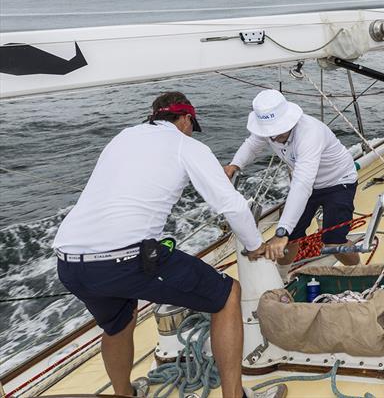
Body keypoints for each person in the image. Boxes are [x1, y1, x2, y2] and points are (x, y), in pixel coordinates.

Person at [54, 92, 267, 398]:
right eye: (192, 125)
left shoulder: (123, 137)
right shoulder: (186, 145)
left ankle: (123, 394)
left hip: (70, 262)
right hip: (123, 260)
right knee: (227, 294)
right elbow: (231, 205)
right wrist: (254, 244)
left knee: (119, 322)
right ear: (186, 119)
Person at [224, 90, 360, 277]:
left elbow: (302, 184)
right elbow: (252, 144)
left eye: (277, 130)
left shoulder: (310, 133)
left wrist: (281, 232)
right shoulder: (269, 132)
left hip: (338, 181)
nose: (272, 137)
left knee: (333, 242)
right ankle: (281, 278)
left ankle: (359, 271)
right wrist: (235, 165)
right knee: (290, 239)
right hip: (310, 185)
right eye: (268, 132)